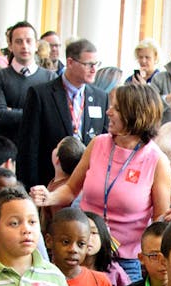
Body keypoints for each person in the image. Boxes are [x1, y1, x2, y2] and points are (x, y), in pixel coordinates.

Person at [31, 82, 171, 285]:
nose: (108, 112)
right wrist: (49, 197)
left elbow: (159, 217)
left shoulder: (156, 160)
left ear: (134, 114)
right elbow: (71, 189)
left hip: (125, 260)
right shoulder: (97, 144)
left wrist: (168, 219)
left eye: (116, 108)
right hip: (84, 252)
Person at [18, 39, 109, 188]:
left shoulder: (101, 97)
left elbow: (104, 142)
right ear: (70, 62)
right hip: (50, 179)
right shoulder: (41, 94)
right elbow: (29, 145)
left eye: (96, 64)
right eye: (88, 64)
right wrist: (31, 187)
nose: (94, 69)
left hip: (87, 182)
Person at [0, 22, 55, 142]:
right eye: (18, 41)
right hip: (8, 148)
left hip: (40, 148)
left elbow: (54, 116)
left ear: (36, 45)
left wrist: (12, 111)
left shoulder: (51, 78)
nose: (24, 46)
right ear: (10, 46)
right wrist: (39, 113)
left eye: (29, 41)